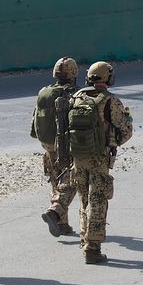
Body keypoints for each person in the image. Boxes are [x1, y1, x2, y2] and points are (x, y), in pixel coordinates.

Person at [69, 61, 133, 264]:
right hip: (99, 157)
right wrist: (114, 141)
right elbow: (126, 131)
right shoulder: (110, 101)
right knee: (98, 200)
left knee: (84, 199)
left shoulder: (77, 97)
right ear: (108, 78)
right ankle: (93, 247)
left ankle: (84, 240)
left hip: (78, 156)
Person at [31, 57, 80, 238]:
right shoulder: (74, 93)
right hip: (66, 145)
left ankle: (62, 223)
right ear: (73, 73)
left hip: (48, 145)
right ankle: (55, 211)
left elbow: (35, 119)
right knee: (71, 181)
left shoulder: (44, 92)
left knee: (56, 181)